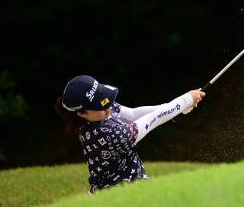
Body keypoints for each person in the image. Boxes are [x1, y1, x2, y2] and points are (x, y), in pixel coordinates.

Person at [54, 75, 205, 193]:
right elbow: (154, 119)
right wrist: (185, 100)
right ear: (81, 113)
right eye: (100, 106)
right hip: (116, 196)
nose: (108, 108)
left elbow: (132, 114)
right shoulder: (105, 135)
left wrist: (178, 107)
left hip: (135, 187)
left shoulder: (101, 108)